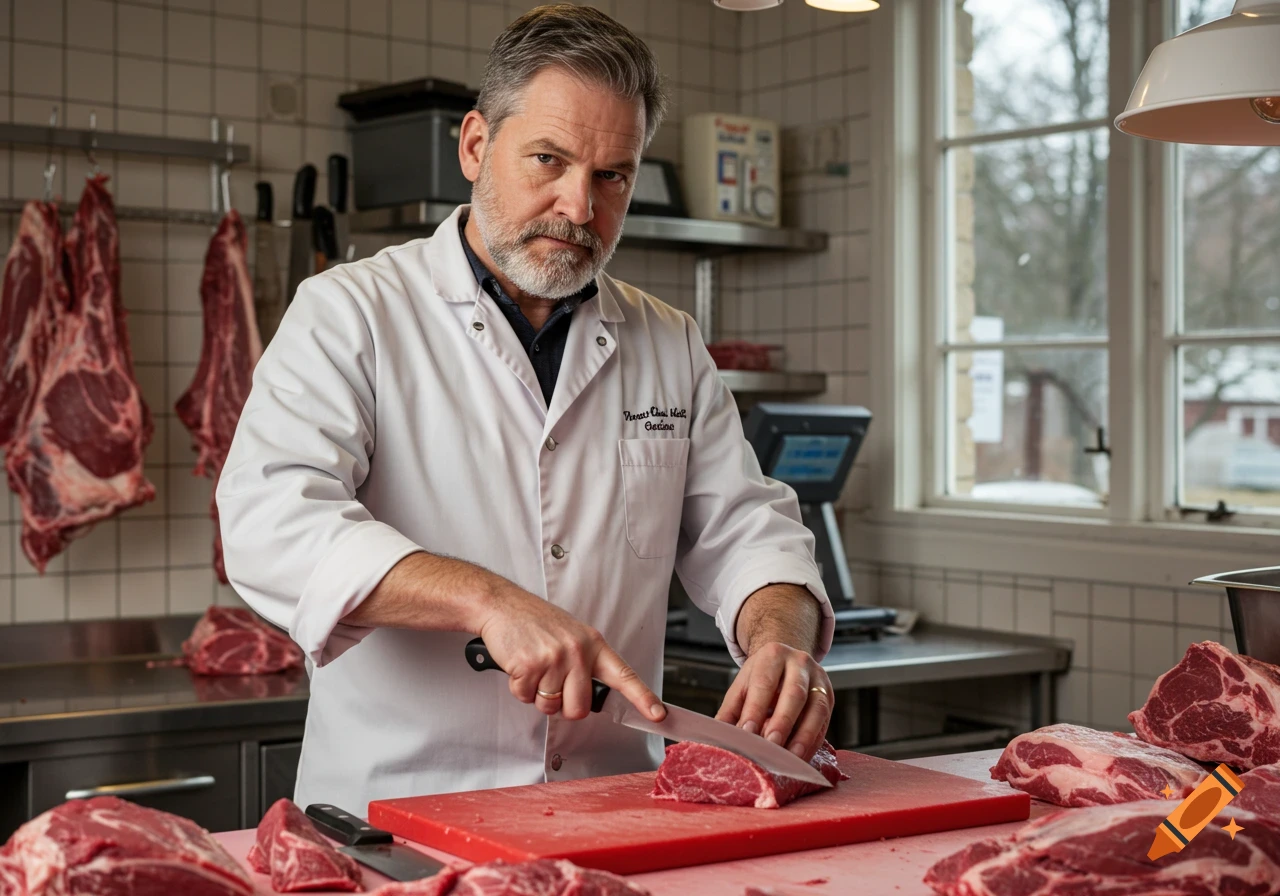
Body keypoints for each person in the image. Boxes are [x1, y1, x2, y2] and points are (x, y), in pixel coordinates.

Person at [217, 4, 835, 814]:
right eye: (549, 159)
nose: (579, 207)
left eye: (612, 175)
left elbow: (748, 532)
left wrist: (780, 641)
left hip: (606, 815)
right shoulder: (351, 312)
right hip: (397, 818)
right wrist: (487, 600)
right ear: (476, 145)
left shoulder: (668, 341)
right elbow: (271, 522)